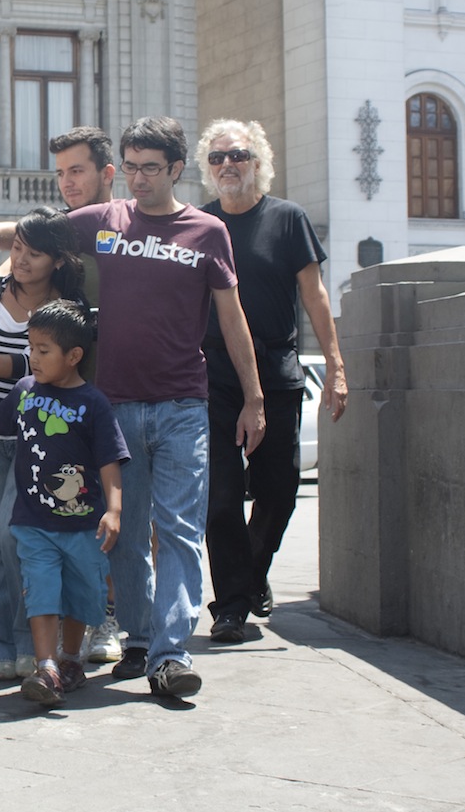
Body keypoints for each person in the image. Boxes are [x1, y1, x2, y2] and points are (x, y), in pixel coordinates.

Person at [0, 117, 266, 700]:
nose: (140, 179)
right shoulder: (105, 221)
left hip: (182, 404)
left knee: (179, 532)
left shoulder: (207, 231)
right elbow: (31, 234)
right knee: (124, 532)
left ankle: (170, 654)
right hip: (115, 407)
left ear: (176, 169)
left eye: (152, 168)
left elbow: (232, 316)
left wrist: (253, 397)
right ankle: (139, 639)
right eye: (133, 166)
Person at [195, 119, 348, 643]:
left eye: (238, 155)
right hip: (214, 375)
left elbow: (315, 295)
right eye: (217, 158)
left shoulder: (287, 219)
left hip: (277, 369)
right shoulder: (201, 224)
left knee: (279, 490)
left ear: (257, 161)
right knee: (220, 497)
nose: (227, 165)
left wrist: (336, 366)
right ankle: (232, 606)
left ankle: (252, 572)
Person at [0, 300, 128, 707]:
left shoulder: (94, 403)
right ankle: (46, 667)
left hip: (83, 526)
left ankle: (70, 659)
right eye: (31, 348)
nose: (34, 358)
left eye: (44, 350)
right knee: (41, 592)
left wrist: (114, 510)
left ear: (74, 355)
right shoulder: (25, 391)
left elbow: (110, 461)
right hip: (33, 524)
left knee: (80, 595)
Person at [0, 206, 86, 681]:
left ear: (57, 260)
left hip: (41, 440)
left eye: (34, 253)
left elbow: (33, 368)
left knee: (15, 538)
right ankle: (5, 645)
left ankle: (29, 642)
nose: (20, 260)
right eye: (17, 248)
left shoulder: (66, 309)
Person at [48, 125, 120, 663]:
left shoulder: (133, 228)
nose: (67, 182)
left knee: (124, 515)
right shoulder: (58, 237)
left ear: (106, 173)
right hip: (69, 401)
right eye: (60, 173)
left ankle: (113, 617)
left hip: (128, 394)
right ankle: (76, 621)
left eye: (77, 170)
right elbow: (15, 261)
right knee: (71, 512)